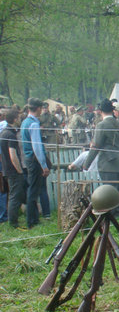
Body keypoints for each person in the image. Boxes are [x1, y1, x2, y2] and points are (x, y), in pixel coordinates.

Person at [84, 99, 119, 218]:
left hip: (109, 163)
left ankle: (112, 217)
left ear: (100, 111)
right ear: (113, 110)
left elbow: (96, 146)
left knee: (109, 191)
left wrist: (86, 164)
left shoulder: (102, 125)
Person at [21, 98, 50, 228]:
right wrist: (43, 165)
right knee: (33, 191)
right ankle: (31, 221)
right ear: (38, 108)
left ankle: (34, 219)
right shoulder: (33, 124)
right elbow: (37, 147)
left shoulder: (25, 122)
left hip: (28, 158)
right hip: (34, 159)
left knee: (33, 189)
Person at [1, 109, 26, 226]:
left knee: (15, 195)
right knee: (14, 197)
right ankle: (13, 223)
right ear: (15, 119)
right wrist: (19, 170)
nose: (20, 120)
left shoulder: (4, 133)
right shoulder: (11, 135)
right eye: (19, 118)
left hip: (6, 169)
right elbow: (13, 155)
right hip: (13, 170)